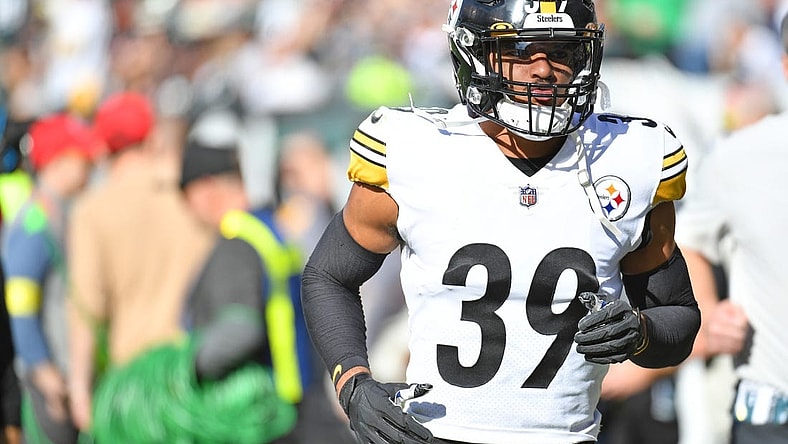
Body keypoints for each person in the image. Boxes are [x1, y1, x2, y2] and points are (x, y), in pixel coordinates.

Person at [300, 1, 702, 443]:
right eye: (521, 50)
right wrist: (352, 381)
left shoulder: (629, 159)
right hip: (436, 434)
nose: (544, 70)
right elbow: (328, 275)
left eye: (561, 52)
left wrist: (640, 333)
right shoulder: (415, 151)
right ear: (475, 53)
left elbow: (679, 316)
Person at [66, 92, 212, 434]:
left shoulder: (91, 210)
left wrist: (79, 390)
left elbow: (86, 308)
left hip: (134, 384)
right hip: (196, 370)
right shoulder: (190, 194)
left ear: (103, 149)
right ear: (151, 138)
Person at [675, 12, 788, 444]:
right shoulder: (738, 158)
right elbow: (687, 242)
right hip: (770, 419)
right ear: (785, 66)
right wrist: (706, 312)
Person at [178, 113, 311, 442]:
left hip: (260, 412)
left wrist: (185, 367)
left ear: (205, 190)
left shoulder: (236, 243)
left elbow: (241, 329)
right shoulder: (268, 227)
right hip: (295, 398)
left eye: (187, 198)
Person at [2, 113, 103, 444]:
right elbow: (19, 303)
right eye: (81, 157)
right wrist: (41, 367)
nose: (91, 164)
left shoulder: (63, 211)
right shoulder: (35, 221)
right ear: (56, 162)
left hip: (67, 372)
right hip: (48, 381)